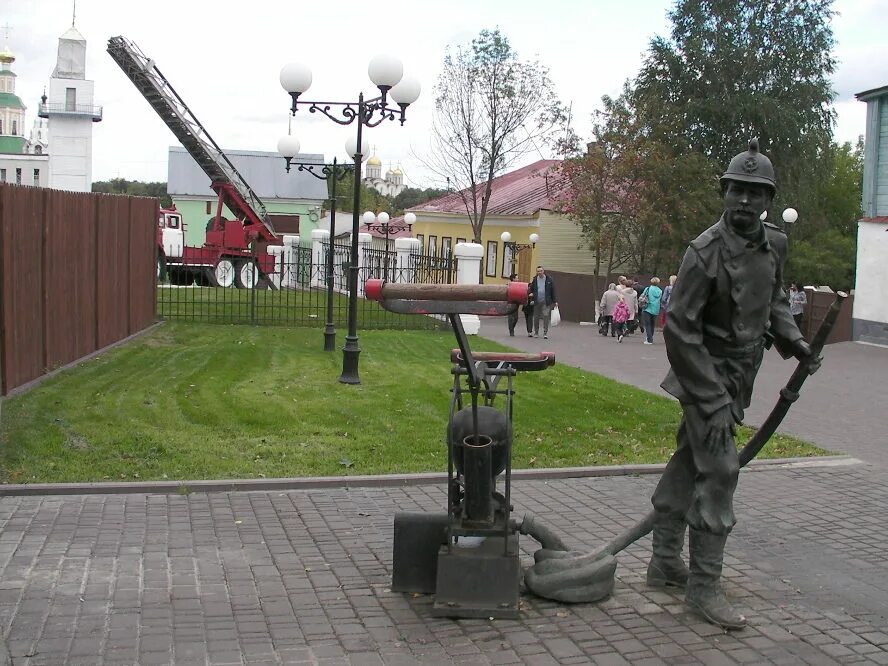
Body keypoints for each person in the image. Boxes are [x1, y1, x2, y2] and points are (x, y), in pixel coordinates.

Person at [647, 139, 820, 630]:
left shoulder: (776, 244)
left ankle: (662, 563)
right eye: (737, 191)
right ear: (724, 192)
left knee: (688, 461)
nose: (745, 201)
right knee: (720, 470)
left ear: (767, 199)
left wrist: (795, 343)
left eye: (755, 193)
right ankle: (703, 588)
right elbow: (680, 329)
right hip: (703, 374)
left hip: (742, 375)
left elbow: (774, 304)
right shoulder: (703, 252)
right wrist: (712, 398)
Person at [529, 265, 557, 339]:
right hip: (537, 301)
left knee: (545, 316)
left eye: (541, 271)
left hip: (546, 301)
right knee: (536, 317)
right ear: (537, 272)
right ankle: (536, 332)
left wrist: (555, 301)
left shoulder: (549, 279)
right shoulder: (535, 279)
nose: (539, 272)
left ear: (543, 271)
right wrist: (531, 295)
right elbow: (531, 289)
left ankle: (545, 333)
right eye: (538, 271)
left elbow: (552, 290)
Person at [640, 277, 663, 345]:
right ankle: (650, 337)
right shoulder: (660, 291)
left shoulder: (648, 288)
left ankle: (649, 339)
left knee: (647, 324)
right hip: (656, 308)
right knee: (652, 324)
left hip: (647, 307)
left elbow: (643, 297)